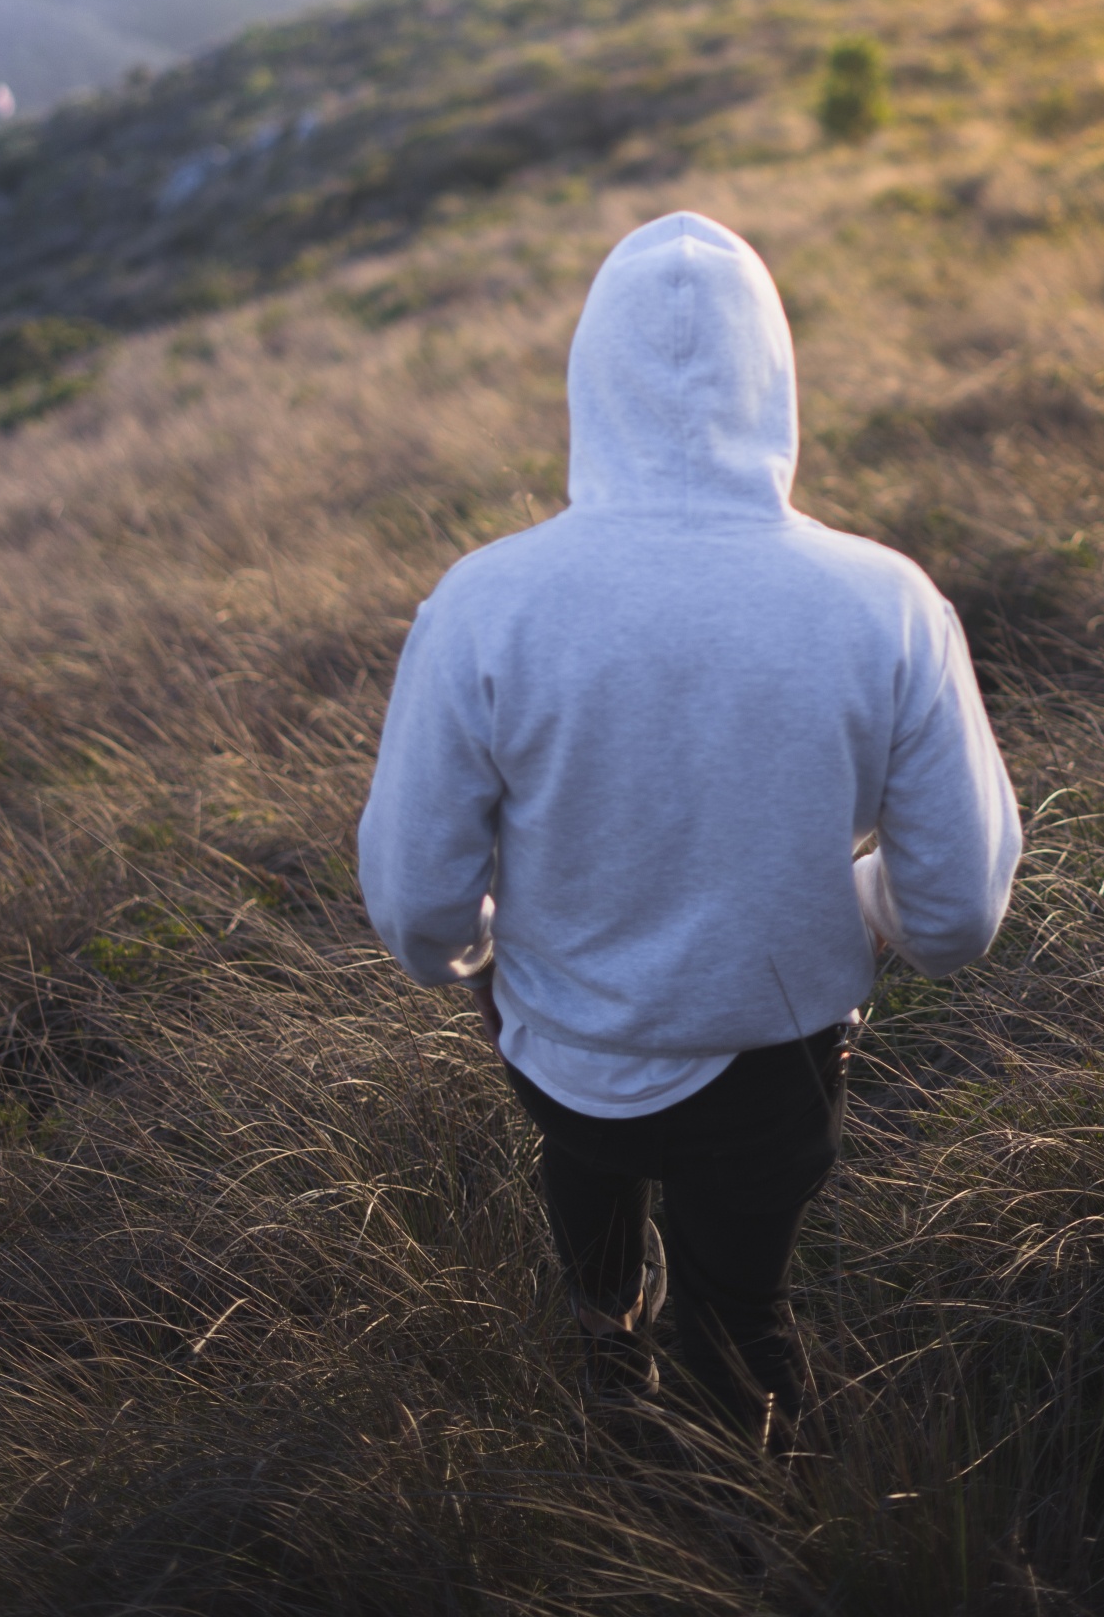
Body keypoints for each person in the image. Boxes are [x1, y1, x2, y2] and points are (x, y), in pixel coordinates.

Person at [358, 210, 1021, 1446]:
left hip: (556, 1046)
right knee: (742, 1321)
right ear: (775, 379)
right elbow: (962, 910)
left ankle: (603, 1333)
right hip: (773, 1066)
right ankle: (732, 1533)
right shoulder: (885, 603)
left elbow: (413, 903)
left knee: (591, 1165)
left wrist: (492, 956)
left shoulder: (486, 605)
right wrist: (867, 913)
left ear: (587, 383)